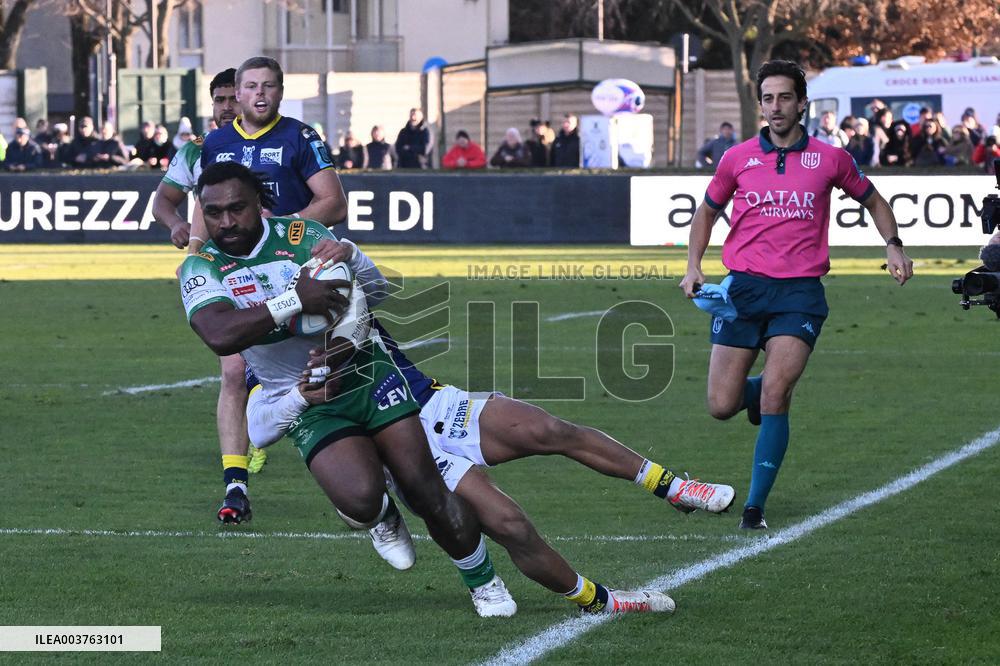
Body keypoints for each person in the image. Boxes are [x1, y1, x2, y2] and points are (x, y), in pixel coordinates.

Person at [180, 161, 516, 617]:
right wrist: (294, 300)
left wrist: (345, 291)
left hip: (364, 371)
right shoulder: (201, 267)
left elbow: (368, 295)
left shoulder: (303, 238)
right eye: (213, 211)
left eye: (236, 209)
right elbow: (219, 333)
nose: (225, 222)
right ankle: (378, 513)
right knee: (358, 499)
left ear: (259, 202)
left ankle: (484, 582)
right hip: (301, 394)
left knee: (426, 491)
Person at [246, 349, 689, 615]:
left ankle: (670, 490)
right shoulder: (257, 346)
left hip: (430, 404)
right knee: (510, 523)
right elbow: (248, 404)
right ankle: (597, 600)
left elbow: (368, 281)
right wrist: (236, 477)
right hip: (390, 441)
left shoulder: (327, 281)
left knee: (550, 430)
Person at [679, 60, 913, 530]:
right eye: (768, 98)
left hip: (799, 294)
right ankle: (758, 391)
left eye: (785, 97)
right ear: (760, 104)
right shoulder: (737, 157)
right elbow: (706, 212)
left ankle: (754, 507)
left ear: (802, 103)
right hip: (740, 289)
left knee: (776, 395)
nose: (776, 107)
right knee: (721, 406)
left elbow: (873, 200)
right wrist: (693, 265)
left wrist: (893, 245)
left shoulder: (830, 158)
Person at [199, 56, 349, 519]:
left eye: (268, 86)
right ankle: (235, 487)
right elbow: (205, 207)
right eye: (250, 87)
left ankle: (363, 480)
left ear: (280, 92)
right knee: (232, 372)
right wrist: (198, 258)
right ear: (236, 94)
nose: (259, 94)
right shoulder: (217, 143)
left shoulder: (300, 137)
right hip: (238, 271)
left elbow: (334, 203)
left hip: (297, 270)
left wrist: (280, 227)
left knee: (334, 368)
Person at [154, 68, 268, 509]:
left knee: (307, 366)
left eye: (230, 99)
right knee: (233, 370)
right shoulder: (196, 150)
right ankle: (236, 481)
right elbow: (162, 200)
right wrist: (178, 223)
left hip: (274, 265)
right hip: (220, 269)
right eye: (218, 100)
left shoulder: (266, 148)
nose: (225, 107)